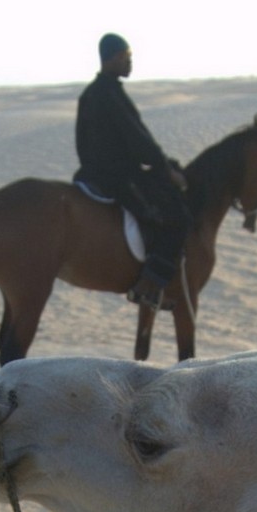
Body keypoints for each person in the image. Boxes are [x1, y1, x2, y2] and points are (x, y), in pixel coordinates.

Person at [74, 32, 191, 308]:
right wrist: (164, 168)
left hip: (97, 172)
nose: (130, 63)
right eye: (126, 57)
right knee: (177, 217)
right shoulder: (108, 93)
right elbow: (136, 137)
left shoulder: (93, 92)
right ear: (111, 58)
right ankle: (149, 286)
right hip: (118, 176)